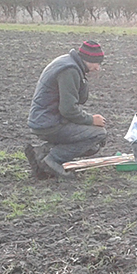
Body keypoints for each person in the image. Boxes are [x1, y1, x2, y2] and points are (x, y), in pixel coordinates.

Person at [24, 40, 110, 179]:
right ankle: (52, 160)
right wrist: (91, 120)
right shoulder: (70, 70)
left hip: (44, 120)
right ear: (89, 59)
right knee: (98, 135)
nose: (98, 68)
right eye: (97, 63)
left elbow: (80, 100)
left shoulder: (69, 63)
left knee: (93, 141)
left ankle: (41, 153)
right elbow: (68, 110)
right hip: (49, 123)